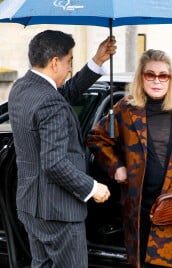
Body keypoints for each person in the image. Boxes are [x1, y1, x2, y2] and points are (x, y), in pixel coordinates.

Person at [87, 49, 172, 268]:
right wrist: (116, 167)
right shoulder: (125, 108)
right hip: (138, 205)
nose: (156, 81)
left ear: (171, 78)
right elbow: (96, 138)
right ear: (141, 77)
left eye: (163, 75)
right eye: (150, 75)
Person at [8, 30, 116, 268]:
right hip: (59, 211)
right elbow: (54, 163)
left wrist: (96, 62)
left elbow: (63, 95)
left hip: (31, 206)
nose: (69, 69)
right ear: (55, 62)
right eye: (69, 62)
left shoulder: (21, 88)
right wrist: (91, 187)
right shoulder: (49, 101)